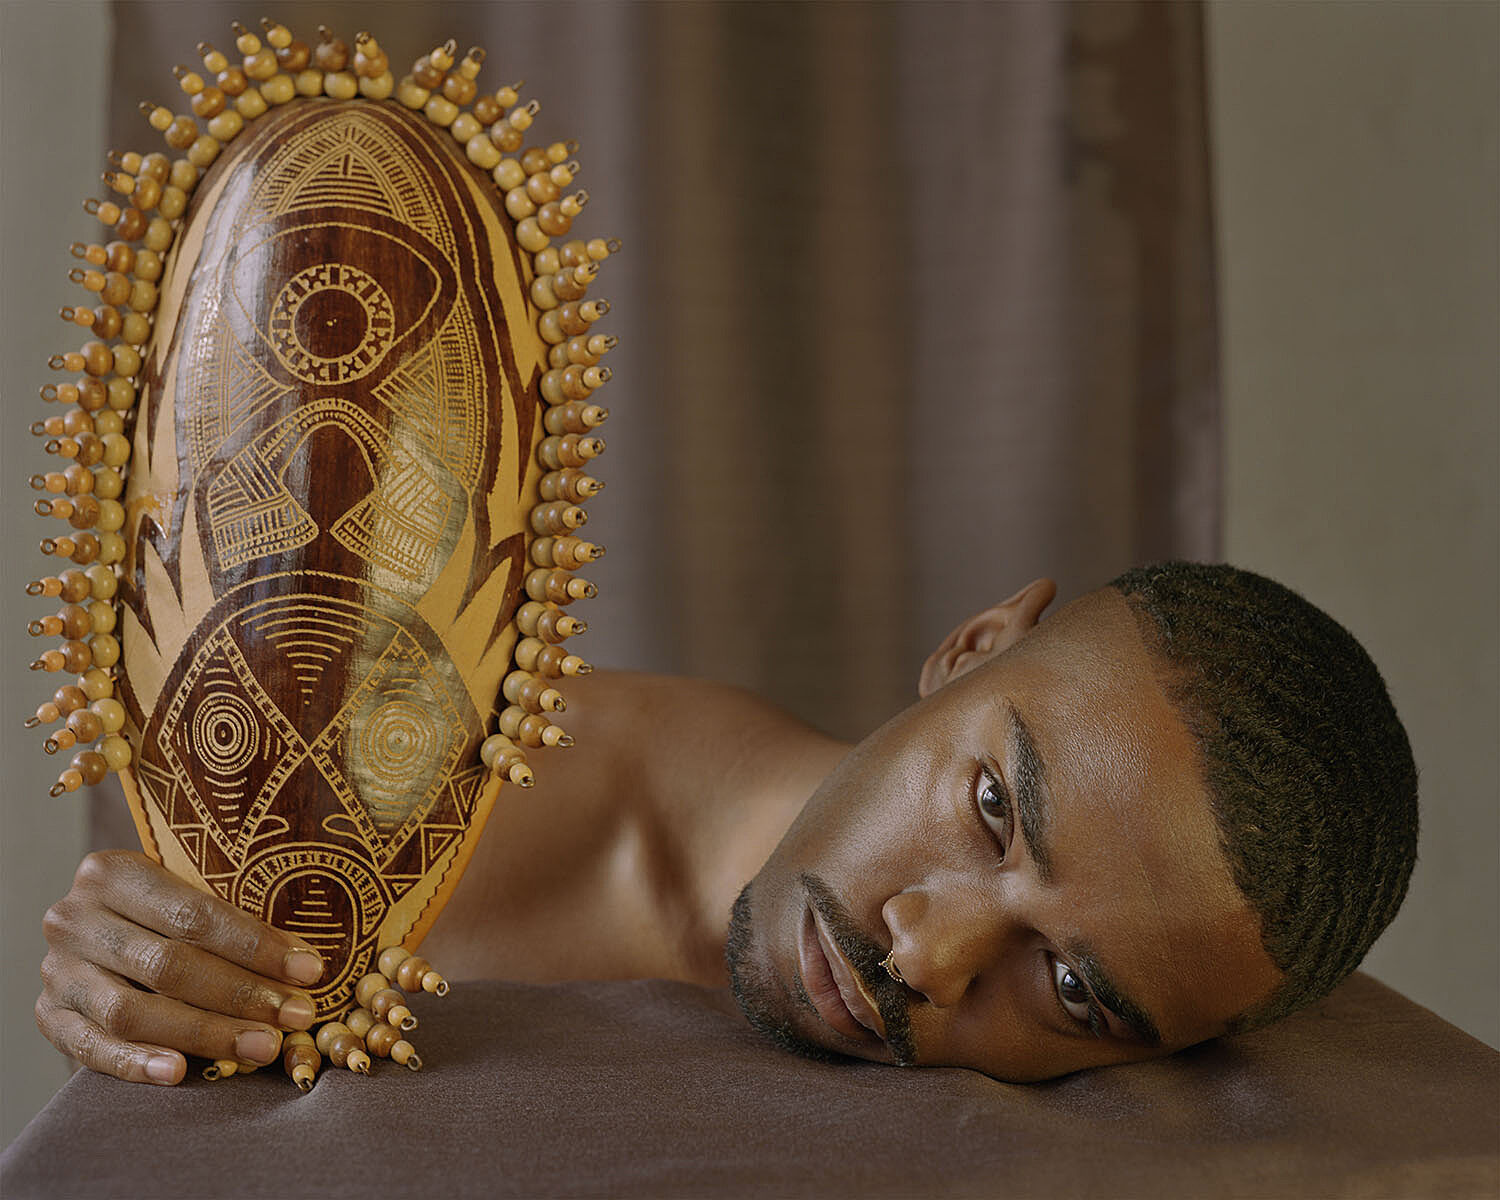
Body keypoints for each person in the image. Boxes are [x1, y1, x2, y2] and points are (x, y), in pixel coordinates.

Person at [34, 561, 1418, 1085]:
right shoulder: (406, 805)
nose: (928, 963)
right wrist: (133, 959)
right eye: (993, 808)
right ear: (972, 644)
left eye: (1067, 986)